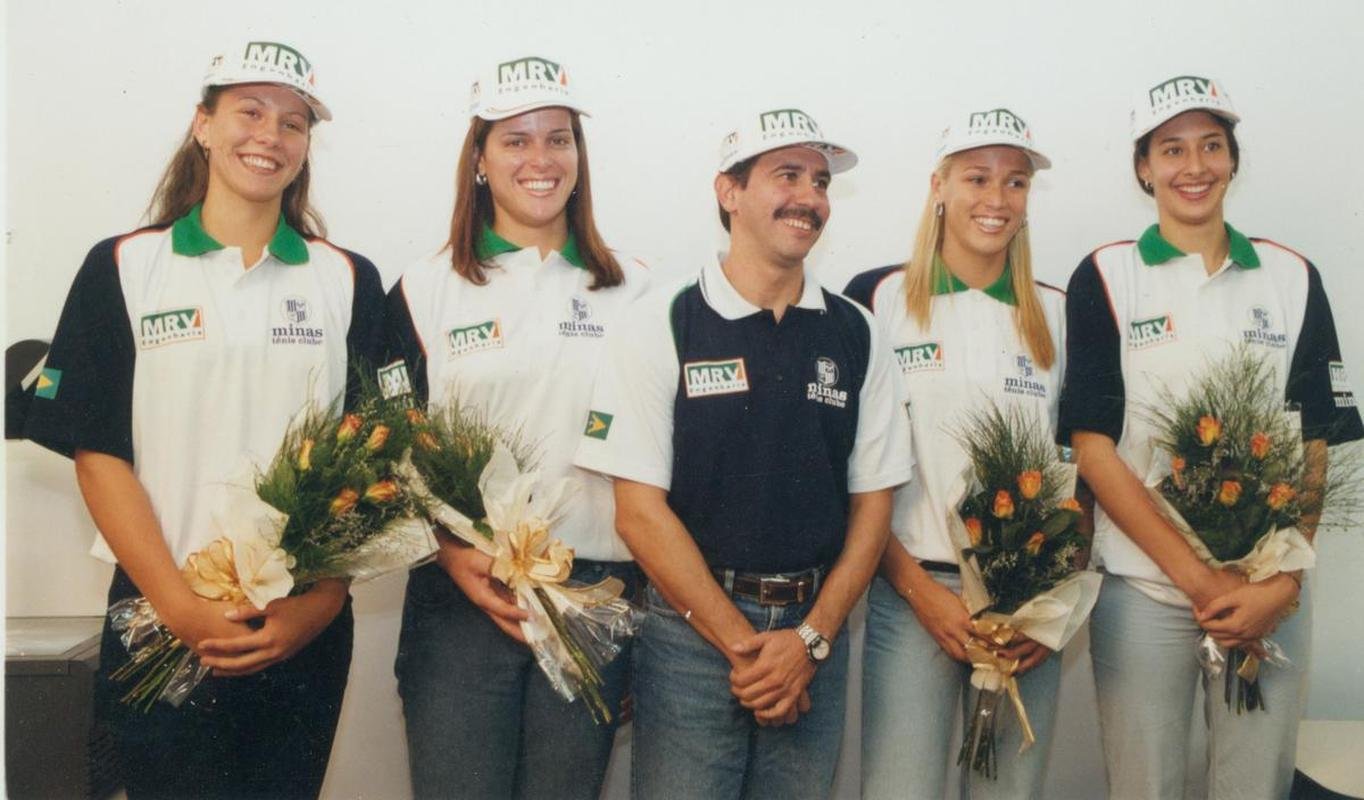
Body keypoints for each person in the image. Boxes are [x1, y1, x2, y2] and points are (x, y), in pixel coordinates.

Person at [24, 41, 385, 799]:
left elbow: (370, 468)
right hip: (160, 616)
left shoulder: (347, 279)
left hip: (300, 630)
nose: (269, 136)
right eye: (248, 112)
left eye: (292, 122)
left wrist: (316, 607)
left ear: (306, 146)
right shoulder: (122, 266)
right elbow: (100, 453)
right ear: (203, 125)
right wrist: (181, 607)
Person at [574, 107, 912, 799]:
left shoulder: (859, 332)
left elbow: (874, 506)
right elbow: (638, 513)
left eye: (819, 182)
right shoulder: (663, 320)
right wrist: (750, 650)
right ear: (728, 193)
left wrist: (809, 641)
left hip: (813, 638)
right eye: (786, 175)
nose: (810, 198)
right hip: (691, 639)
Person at [1058, 75, 1364, 799]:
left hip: (1268, 599)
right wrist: (1202, 582)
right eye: (1172, 150)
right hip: (1143, 595)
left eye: (1211, 146)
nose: (1193, 166)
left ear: (1232, 159)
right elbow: (1095, 450)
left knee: (1255, 788)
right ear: (1143, 167)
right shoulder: (1106, 275)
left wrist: (1284, 583)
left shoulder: (1292, 276)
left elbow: (1316, 442)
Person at [387, 55, 650, 800]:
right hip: (464, 597)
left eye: (559, 139)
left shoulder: (634, 288)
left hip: (594, 591)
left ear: (579, 157)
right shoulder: (422, 289)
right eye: (515, 140)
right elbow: (388, 448)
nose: (541, 160)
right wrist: (446, 551)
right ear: (478, 160)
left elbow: (658, 456)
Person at [845, 108, 1068, 799]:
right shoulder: (875, 299)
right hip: (913, 600)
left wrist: (1048, 606)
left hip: (1023, 613)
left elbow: (1079, 476)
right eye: (977, 178)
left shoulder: (1058, 310)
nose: (996, 200)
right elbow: (854, 475)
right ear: (938, 186)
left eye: (1016, 183)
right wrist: (921, 595)